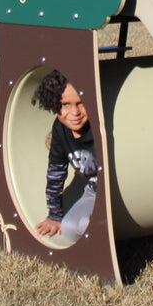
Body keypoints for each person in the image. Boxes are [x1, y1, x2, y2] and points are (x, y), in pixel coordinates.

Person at [32, 70, 98, 243]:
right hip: (94, 191)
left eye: (81, 103)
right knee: (70, 228)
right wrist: (55, 215)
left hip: (113, 192)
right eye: (65, 104)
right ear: (54, 104)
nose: (74, 112)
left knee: (86, 224)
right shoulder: (60, 130)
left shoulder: (98, 128)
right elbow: (56, 173)